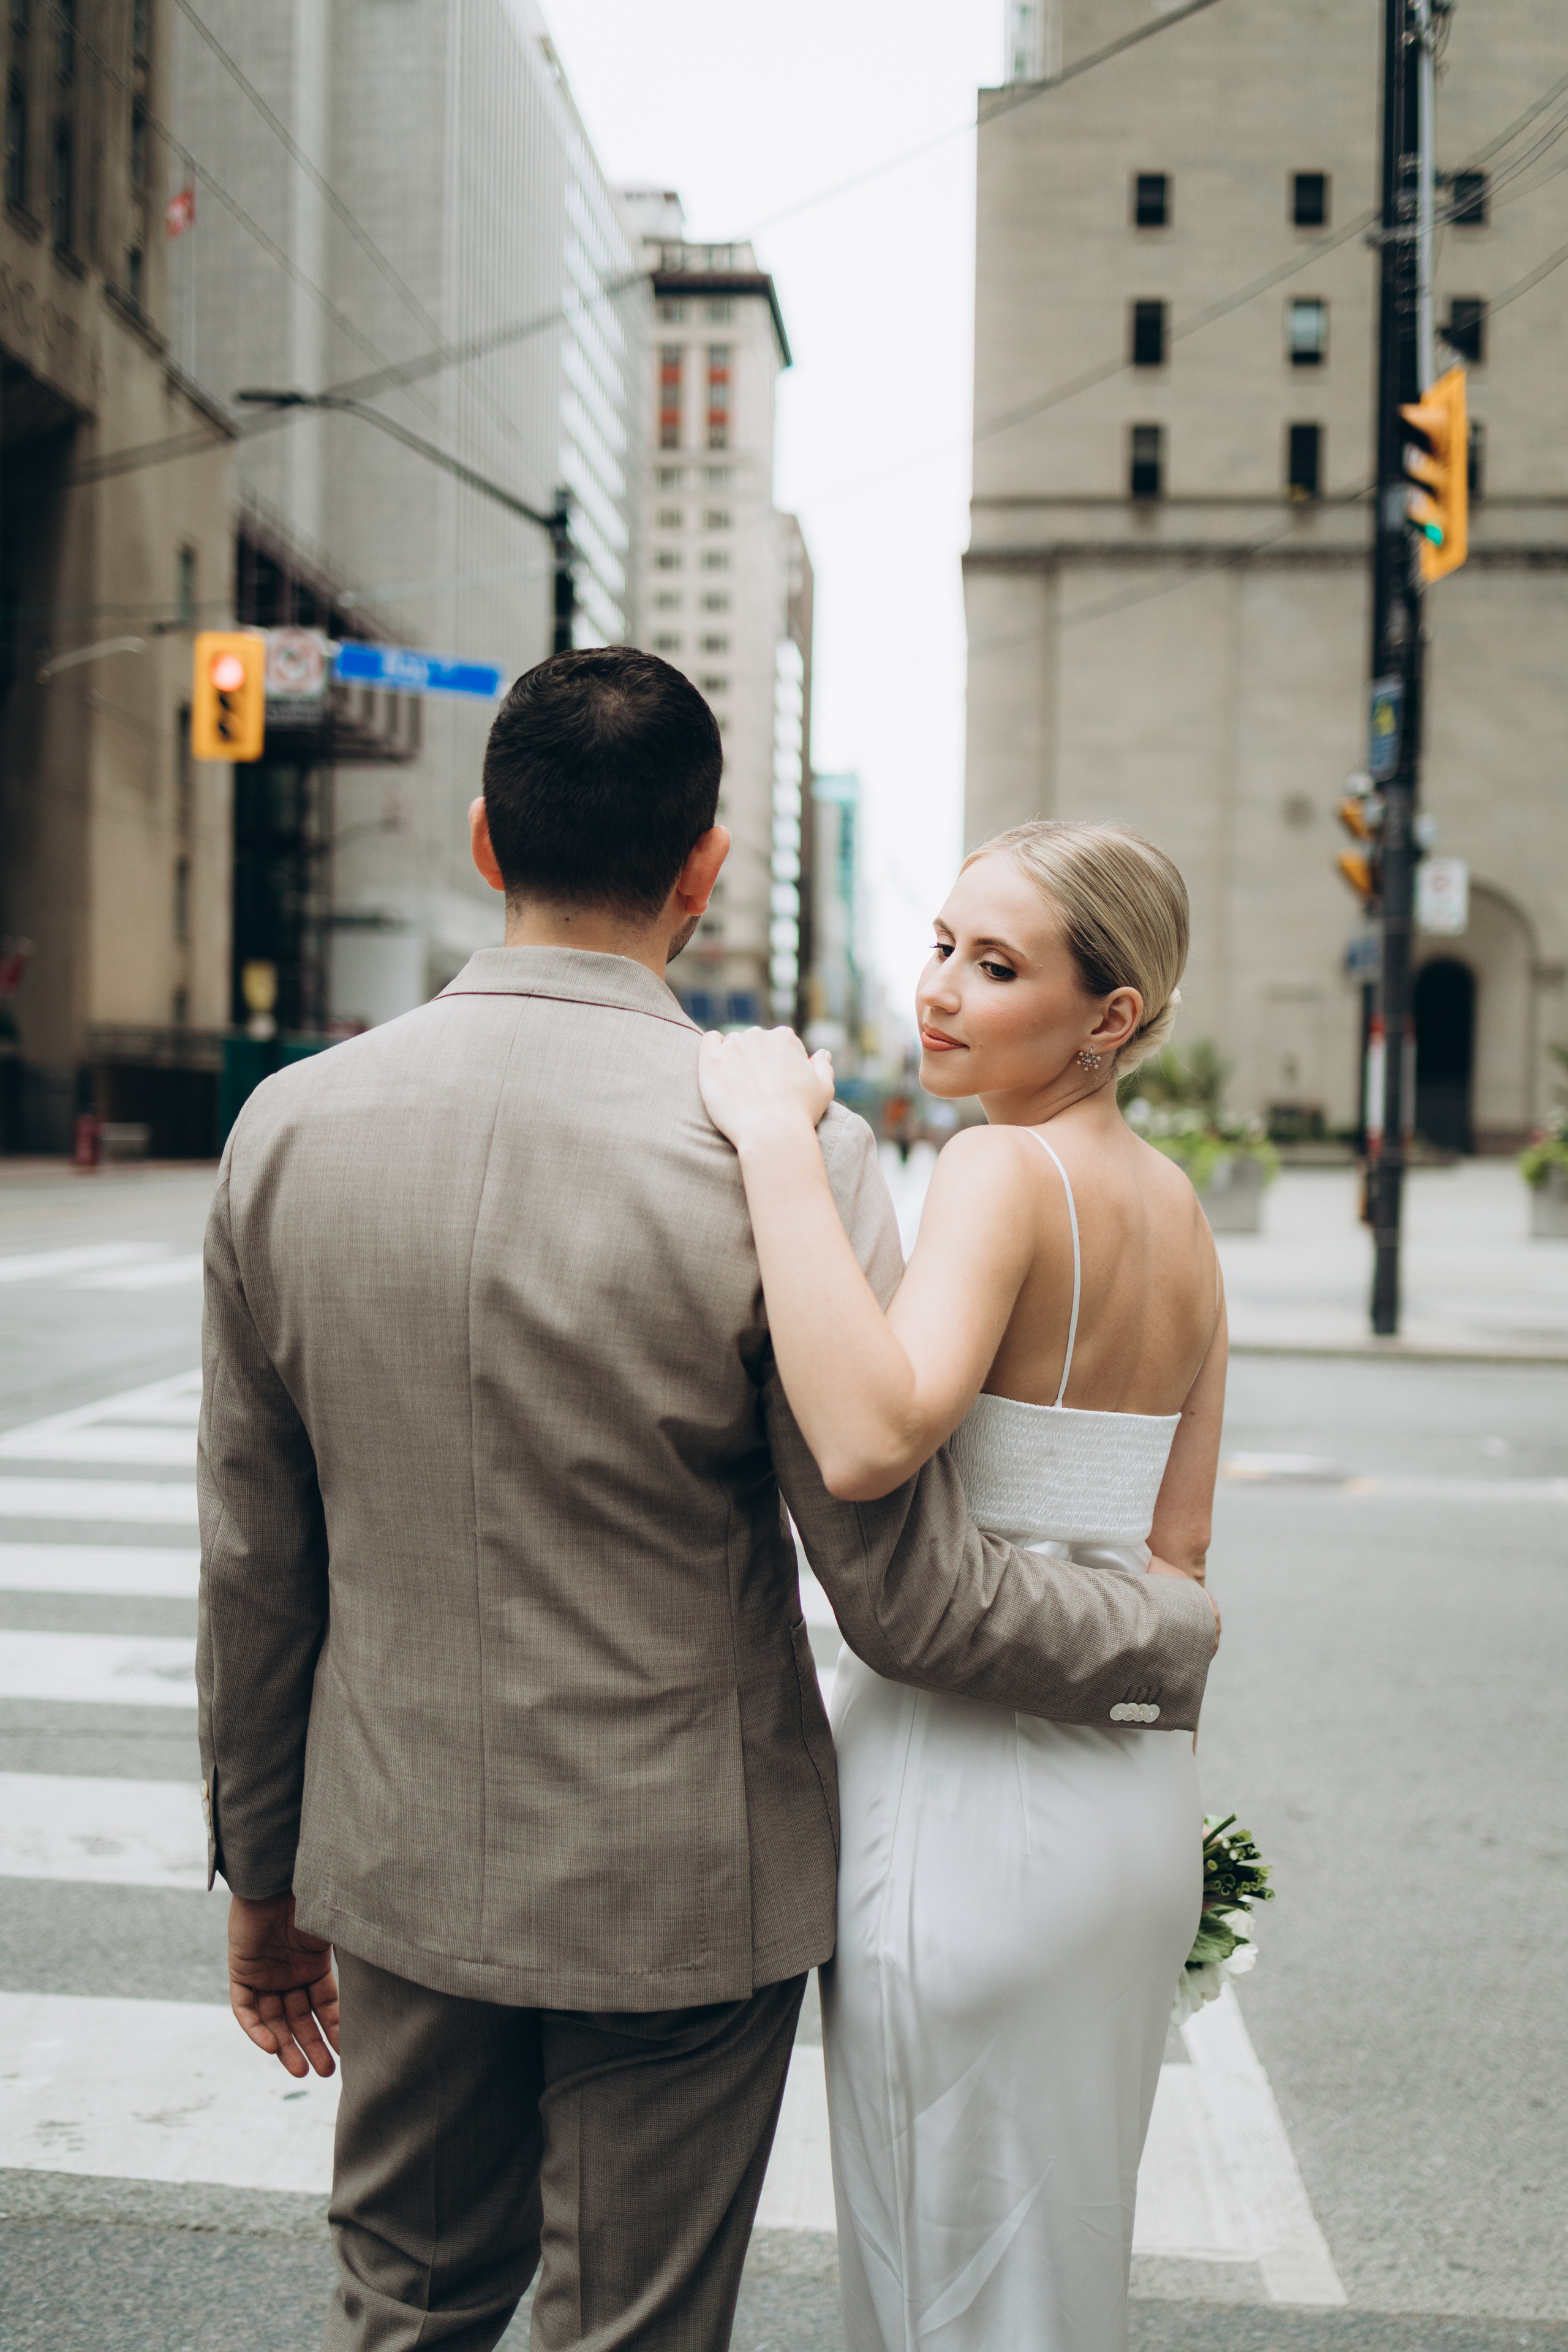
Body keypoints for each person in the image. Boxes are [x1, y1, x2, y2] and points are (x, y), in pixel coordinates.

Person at [196, 652, 1219, 2352]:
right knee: (634, 2332)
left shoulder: (286, 1130)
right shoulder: (786, 1152)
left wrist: (261, 1872)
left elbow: (254, 1558)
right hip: (682, 1885)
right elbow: (904, 1595)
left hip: (393, 1860)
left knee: (403, 2304)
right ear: (704, 868)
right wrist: (1161, 1631)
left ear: (480, 837)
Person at [697, 820, 1224, 2352]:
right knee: (1051, 2264)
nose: (937, 991)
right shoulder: (1184, 1215)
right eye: (939, 945)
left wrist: (775, 1139)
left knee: (931, 2268)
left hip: (956, 1794)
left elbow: (867, 1438)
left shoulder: (1000, 1167)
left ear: (1109, 1018)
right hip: (1124, 1817)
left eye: (994, 967)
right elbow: (1176, 1564)